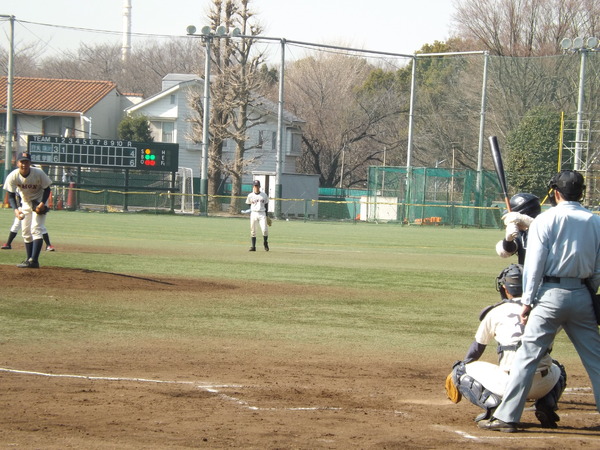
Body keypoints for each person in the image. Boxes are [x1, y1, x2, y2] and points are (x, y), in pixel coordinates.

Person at [480, 170, 600, 433]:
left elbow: (533, 267)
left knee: (527, 357)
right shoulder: (595, 222)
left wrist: (528, 302)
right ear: (581, 192)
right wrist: (590, 294)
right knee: (596, 360)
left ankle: (508, 417)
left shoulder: (546, 221)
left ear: (556, 193)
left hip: (549, 296)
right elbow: (598, 268)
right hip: (582, 296)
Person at [449, 264, 566, 427]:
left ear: (504, 287)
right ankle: (546, 404)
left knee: (460, 369)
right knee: (558, 368)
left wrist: (459, 372)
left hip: (509, 384)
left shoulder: (495, 312)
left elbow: (476, 350)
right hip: (543, 384)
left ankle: (493, 406)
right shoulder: (545, 312)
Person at [3, 151, 53, 268]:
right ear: (17, 163)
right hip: (26, 202)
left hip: (39, 201)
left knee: (36, 229)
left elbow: (47, 189)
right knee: (25, 232)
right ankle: (28, 259)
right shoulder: (13, 176)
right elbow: (10, 195)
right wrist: (16, 210)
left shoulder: (38, 173)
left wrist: (42, 204)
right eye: (22, 162)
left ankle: (34, 260)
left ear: (30, 163)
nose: (24, 164)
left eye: (27, 162)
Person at [496, 193, 541, 265]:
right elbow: (507, 251)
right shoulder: (521, 232)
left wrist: (523, 219)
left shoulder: (544, 229)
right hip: (527, 274)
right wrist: (508, 240)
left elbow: (545, 228)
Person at [245, 180, 269, 252]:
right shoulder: (250, 195)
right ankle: (253, 246)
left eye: (257, 186)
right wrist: (252, 210)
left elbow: (266, 205)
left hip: (262, 213)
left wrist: (267, 216)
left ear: (259, 186)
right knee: (253, 230)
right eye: (255, 186)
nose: (256, 187)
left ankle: (265, 242)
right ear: (253, 186)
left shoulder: (264, 195)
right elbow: (249, 204)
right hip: (254, 213)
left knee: (264, 230)